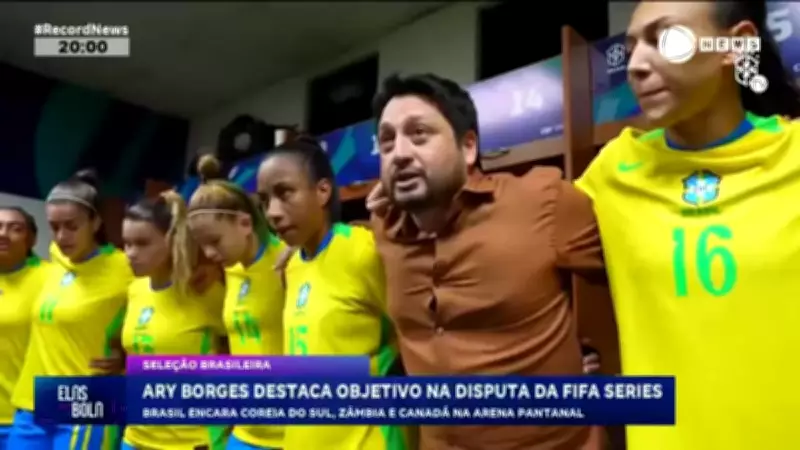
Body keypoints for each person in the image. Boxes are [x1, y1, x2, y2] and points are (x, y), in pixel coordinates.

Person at [574, 2, 800, 449]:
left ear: (737, 46)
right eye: (631, 48)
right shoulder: (613, 172)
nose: (636, 65)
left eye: (665, 39)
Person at [364, 73, 606, 449]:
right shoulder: (384, 229)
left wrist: (596, 359)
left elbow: (634, 273)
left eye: (419, 134)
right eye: (387, 141)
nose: (400, 153)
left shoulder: (541, 201)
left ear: (468, 147)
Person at [257, 136, 408, 450]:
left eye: (285, 193)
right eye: (264, 200)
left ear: (323, 191)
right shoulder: (290, 265)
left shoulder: (363, 251)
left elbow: (413, 335)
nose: (272, 212)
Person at [7, 169, 133, 450]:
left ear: (95, 222)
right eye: (54, 227)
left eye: (72, 226)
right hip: (32, 402)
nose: (62, 236)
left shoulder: (125, 268)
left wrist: (128, 360)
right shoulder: (57, 257)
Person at [186, 155, 285, 450]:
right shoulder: (230, 271)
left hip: (288, 433)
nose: (209, 253)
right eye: (202, 244)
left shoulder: (287, 263)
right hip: (244, 432)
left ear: (244, 223)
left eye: (215, 241)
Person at [119, 190, 228, 450]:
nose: (130, 253)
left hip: (191, 441)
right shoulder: (135, 290)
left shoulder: (207, 293)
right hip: (135, 438)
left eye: (142, 243)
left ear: (171, 240)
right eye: (127, 243)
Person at [0, 207, 49, 449]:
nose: (3, 234)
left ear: (31, 239)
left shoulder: (52, 277)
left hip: (25, 417)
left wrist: (116, 350)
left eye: (15, 229)